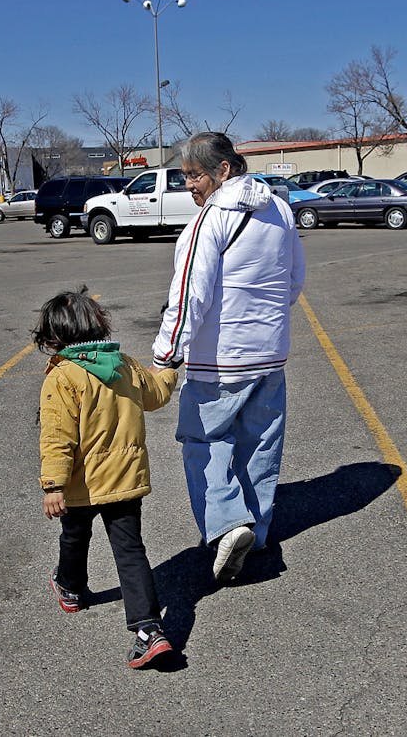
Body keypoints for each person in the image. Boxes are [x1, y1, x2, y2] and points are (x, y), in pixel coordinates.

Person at [152, 132, 305, 584]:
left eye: (194, 175)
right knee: (260, 446)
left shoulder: (212, 219)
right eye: (183, 176)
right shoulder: (279, 207)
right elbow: (294, 281)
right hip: (270, 354)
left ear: (223, 170)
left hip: (219, 360)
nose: (189, 185)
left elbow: (188, 295)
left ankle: (225, 525)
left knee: (205, 441)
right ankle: (254, 534)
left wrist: (167, 354)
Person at [34, 288, 179, 669]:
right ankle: (150, 630)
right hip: (125, 479)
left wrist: (54, 485)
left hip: (81, 485)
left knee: (74, 535)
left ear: (55, 338)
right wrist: (169, 369)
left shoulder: (63, 376)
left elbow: (57, 435)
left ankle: (71, 587)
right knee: (130, 551)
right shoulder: (124, 364)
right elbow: (156, 394)